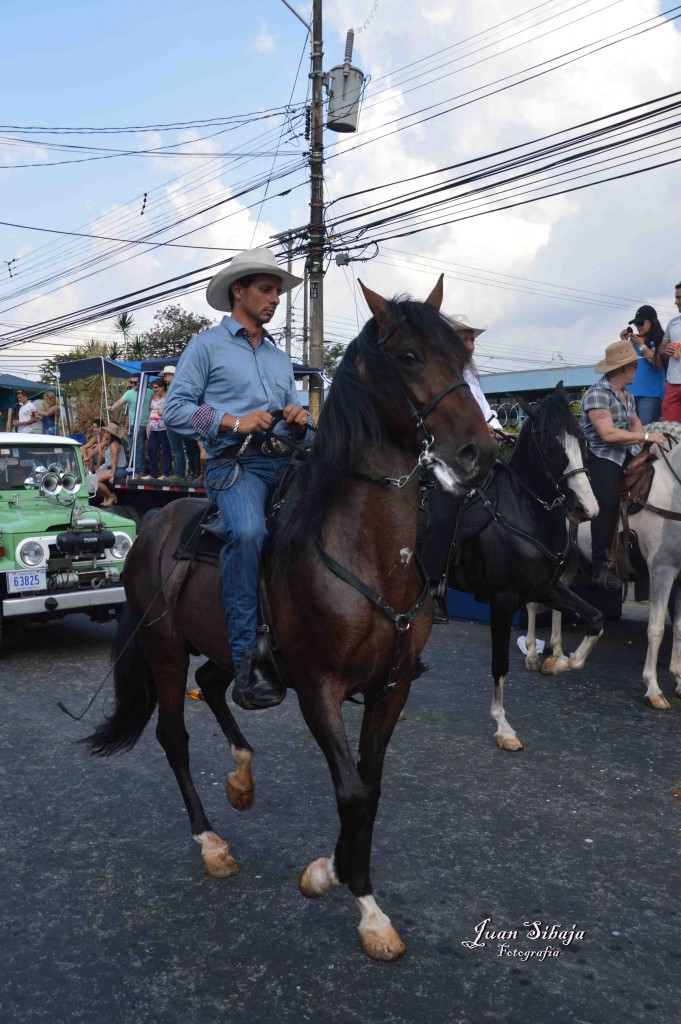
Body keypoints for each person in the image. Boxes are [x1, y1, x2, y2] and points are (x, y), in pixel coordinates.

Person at [164, 247, 309, 710]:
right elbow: (175, 411)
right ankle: (247, 658)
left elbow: (295, 410)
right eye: (266, 290)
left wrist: (298, 414)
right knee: (248, 532)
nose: (274, 300)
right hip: (236, 466)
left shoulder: (280, 357)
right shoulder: (205, 346)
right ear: (238, 292)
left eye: (278, 292)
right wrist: (233, 421)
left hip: (285, 461)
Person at [420, 313, 502, 622]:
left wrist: (496, 428)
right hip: (437, 453)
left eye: (472, 339)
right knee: (446, 508)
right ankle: (432, 587)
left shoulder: (469, 374)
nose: (470, 345)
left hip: (474, 451)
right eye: (464, 338)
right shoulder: (437, 372)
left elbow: (484, 409)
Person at [580, 340, 666, 591]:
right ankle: (599, 566)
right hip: (602, 455)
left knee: (654, 478)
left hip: (625, 453)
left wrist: (641, 446)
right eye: (634, 367)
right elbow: (607, 434)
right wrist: (646, 438)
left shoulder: (626, 395)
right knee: (605, 502)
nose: (637, 371)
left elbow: (635, 422)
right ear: (624, 368)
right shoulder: (597, 394)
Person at [618, 304, 666, 424]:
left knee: (645, 434)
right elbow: (623, 364)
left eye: (641, 323)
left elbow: (658, 363)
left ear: (652, 322)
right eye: (636, 324)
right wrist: (624, 343)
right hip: (630, 394)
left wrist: (642, 345)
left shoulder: (661, 340)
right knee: (629, 434)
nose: (638, 327)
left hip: (650, 395)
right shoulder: (633, 341)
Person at [107, 376, 152, 476]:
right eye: (131, 382)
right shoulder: (129, 393)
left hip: (149, 425)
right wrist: (112, 407)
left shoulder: (150, 392)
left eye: (135, 382)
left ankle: (145, 472)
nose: (133, 385)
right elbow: (119, 401)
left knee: (149, 450)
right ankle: (140, 471)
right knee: (136, 450)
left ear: (142, 382)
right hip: (135, 425)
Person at [160, 365, 188, 480]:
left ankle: (179, 473)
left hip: (175, 420)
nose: (165, 379)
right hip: (173, 420)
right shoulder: (175, 387)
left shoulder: (176, 387)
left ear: (172, 375)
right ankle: (180, 472)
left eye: (166, 375)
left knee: (178, 449)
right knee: (177, 449)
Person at [143, 379, 172, 480]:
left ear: (162, 387)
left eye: (156, 387)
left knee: (166, 450)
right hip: (153, 428)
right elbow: (151, 412)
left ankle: (165, 473)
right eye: (153, 387)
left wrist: (163, 412)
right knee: (151, 449)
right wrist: (148, 425)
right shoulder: (154, 398)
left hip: (165, 428)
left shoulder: (169, 397)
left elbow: (173, 411)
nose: (154, 390)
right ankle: (153, 473)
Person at [661, 280, 681, 421]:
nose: (675, 302)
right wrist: (666, 348)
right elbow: (661, 348)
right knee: (671, 430)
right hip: (673, 382)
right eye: (676, 297)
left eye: (679, 297)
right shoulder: (673, 323)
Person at [97, 421, 128, 506]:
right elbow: (110, 459)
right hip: (112, 468)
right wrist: (102, 453)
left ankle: (111, 496)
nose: (105, 433)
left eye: (106, 432)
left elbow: (114, 461)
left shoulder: (114, 444)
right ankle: (106, 497)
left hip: (118, 470)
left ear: (110, 434)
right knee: (92, 479)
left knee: (95, 481)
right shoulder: (111, 444)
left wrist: (112, 475)